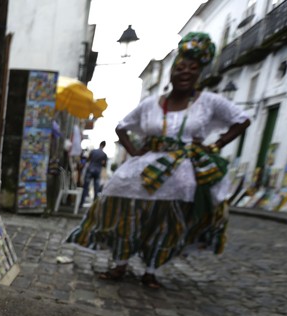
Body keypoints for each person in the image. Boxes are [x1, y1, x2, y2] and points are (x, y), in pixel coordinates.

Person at [67, 32, 250, 288]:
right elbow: (122, 126)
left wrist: (216, 144)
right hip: (142, 171)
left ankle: (151, 270)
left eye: (193, 68)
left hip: (182, 176)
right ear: (171, 72)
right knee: (121, 209)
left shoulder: (208, 102)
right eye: (180, 67)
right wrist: (134, 151)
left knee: (168, 222)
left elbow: (242, 120)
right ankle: (120, 263)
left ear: (200, 73)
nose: (185, 72)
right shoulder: (152, 103)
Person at [81, 141, 108, 208]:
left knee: (85, 187)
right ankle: (95, 206)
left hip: (90, 169)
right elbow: (104, 164)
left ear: (100, 144)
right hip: (97, 171)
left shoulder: (93, 151)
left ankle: (81, 204)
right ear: (104, 146)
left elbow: (88, 159)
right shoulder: (104, 155)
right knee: (96, 189)